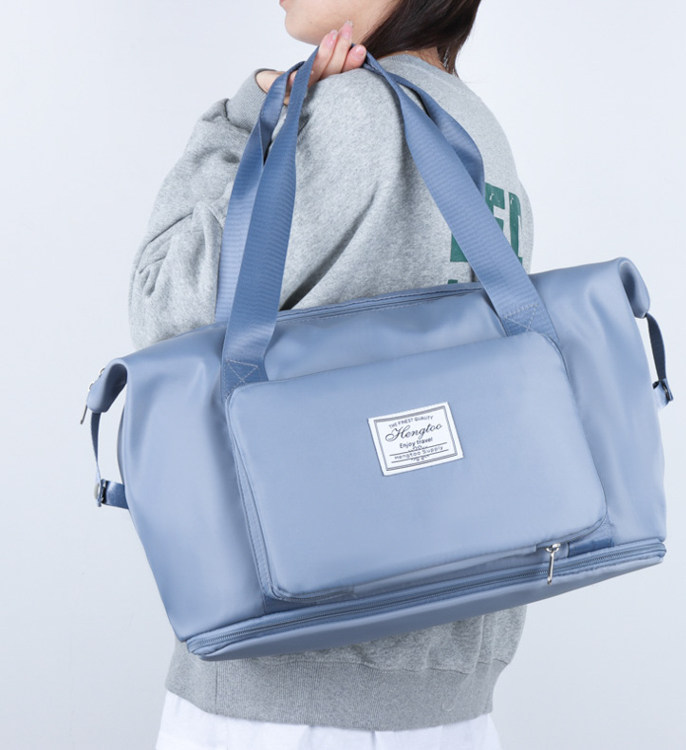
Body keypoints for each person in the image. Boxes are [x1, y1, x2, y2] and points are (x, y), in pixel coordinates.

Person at [129, 1, 535, 747]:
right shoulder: (478, 131)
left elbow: (162, 300)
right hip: (451, 693)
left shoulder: (352, 114)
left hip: (287, 693)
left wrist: (246, 111)